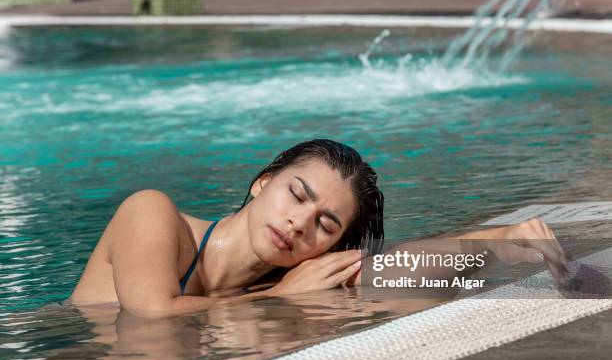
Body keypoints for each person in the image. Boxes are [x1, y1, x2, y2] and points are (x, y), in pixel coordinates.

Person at [70, 139, 569, 317]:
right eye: (297, 194)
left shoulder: (297, 274)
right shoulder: (153, 213)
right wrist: (280, 298)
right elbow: (154, 315)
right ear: (263, 183)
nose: (300, 223)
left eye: (326, 224)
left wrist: (496, 244)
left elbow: (397, 273)